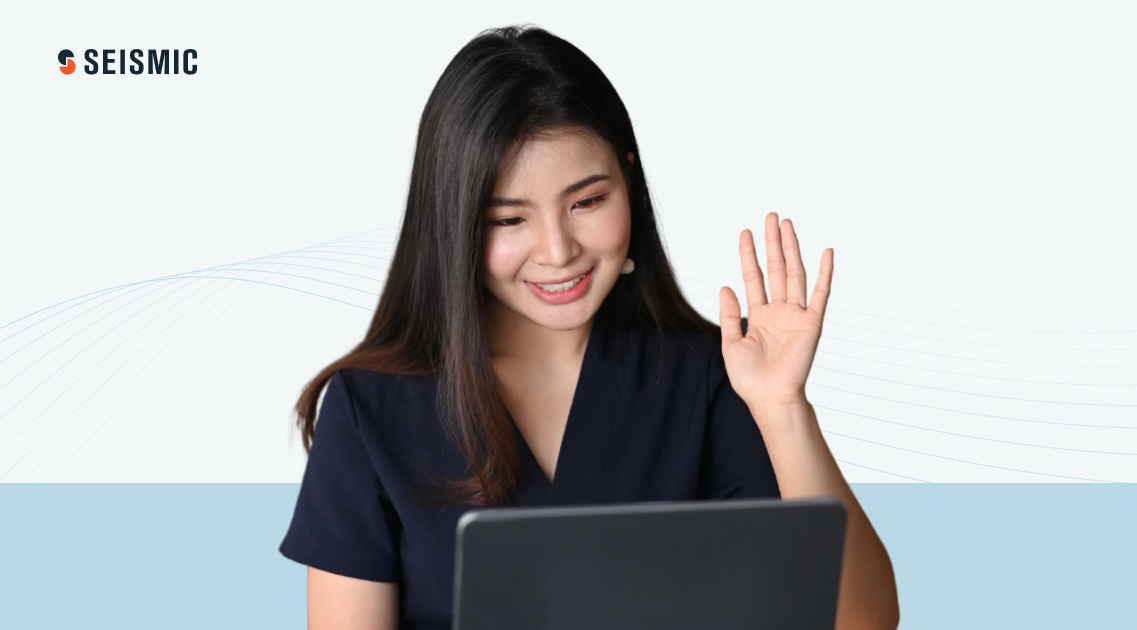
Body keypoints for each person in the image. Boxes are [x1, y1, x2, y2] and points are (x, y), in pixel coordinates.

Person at [279, 25, 899, 630]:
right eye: (508, 219)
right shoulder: (369, 409)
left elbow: (863, 620)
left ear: (627, 179)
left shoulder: (713, 380)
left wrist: (783, 408)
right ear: (455, 226)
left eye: (587, 202)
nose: (557, 251)